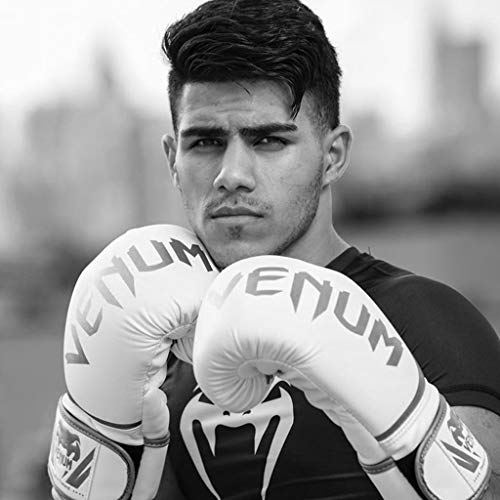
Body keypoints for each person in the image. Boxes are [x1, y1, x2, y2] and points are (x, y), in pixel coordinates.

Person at [47, 1, 500, 499]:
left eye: (268, 140)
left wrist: (414, 431)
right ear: (172, 158)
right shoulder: (159, 354)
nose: (231, 175)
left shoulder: (425, 322)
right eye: (205, 142)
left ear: (333, 155)